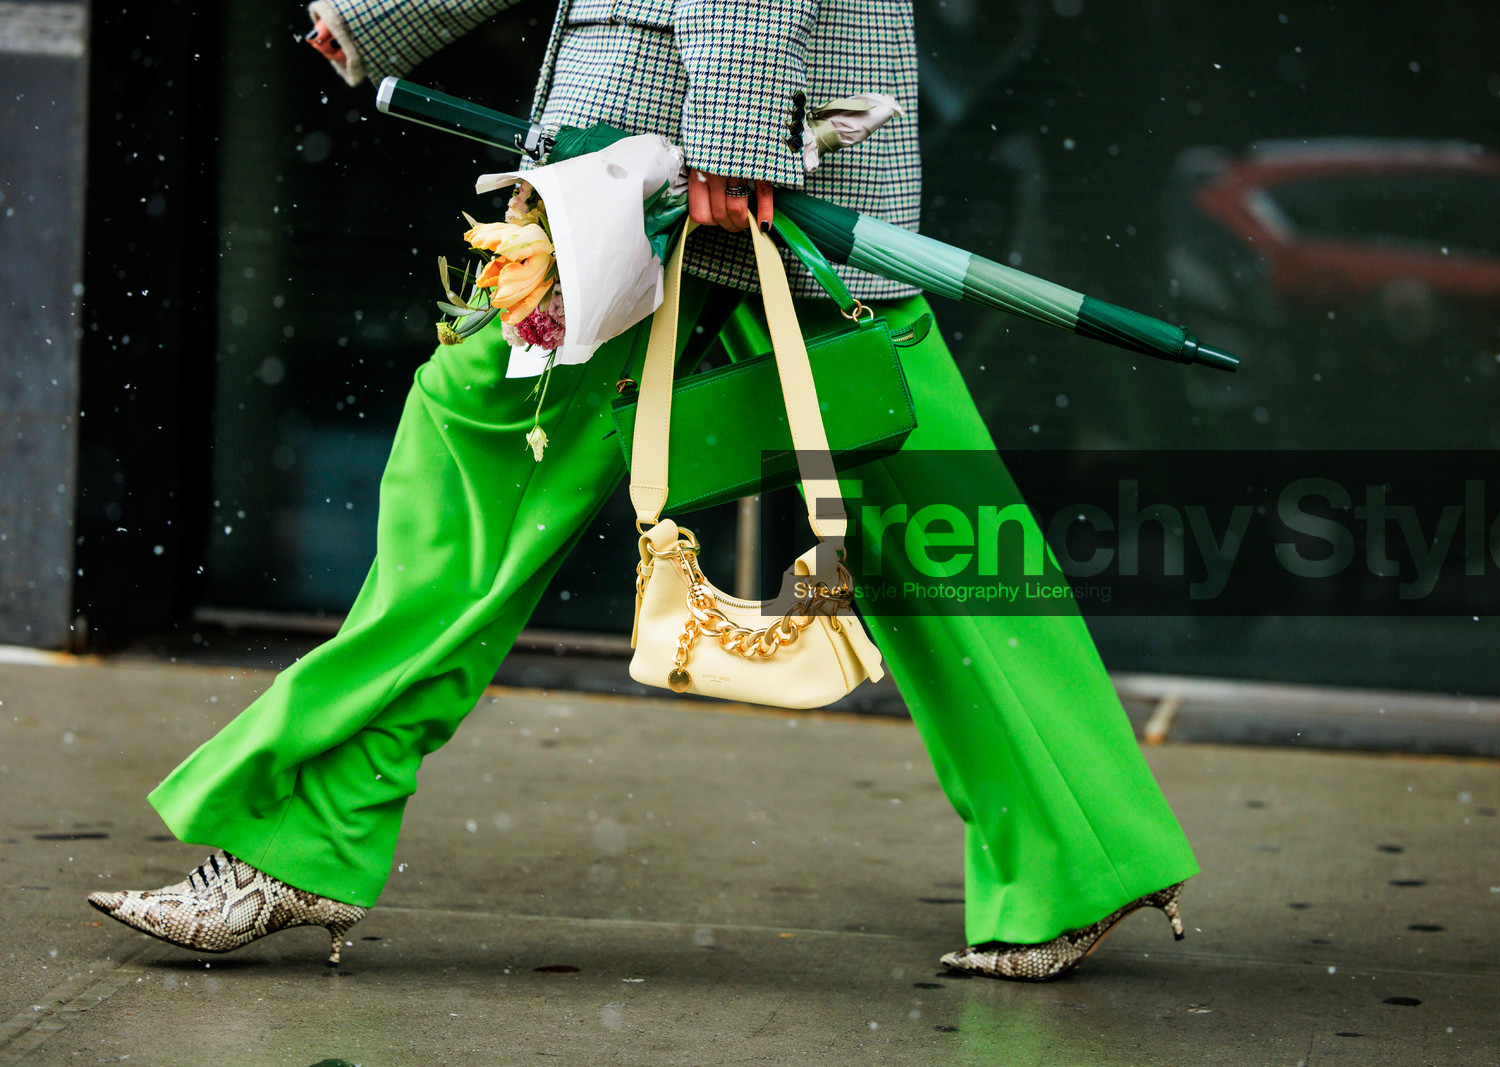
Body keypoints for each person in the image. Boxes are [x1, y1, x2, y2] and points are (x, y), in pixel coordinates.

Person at [88, 0, 1198, 981]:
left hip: (685, 169)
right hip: (705, 161)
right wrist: (390, 15)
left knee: (473, 477)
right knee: (936, 520)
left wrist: (733, 126)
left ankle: (299, 838)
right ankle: (1086, 846)